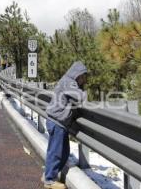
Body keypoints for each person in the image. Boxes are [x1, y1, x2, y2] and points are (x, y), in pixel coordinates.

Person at [43, 61, 87, 189]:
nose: (84, 80)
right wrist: (85, 94)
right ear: (77, 74)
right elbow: (78, 96)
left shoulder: (68, 81)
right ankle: (49, 180)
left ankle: (48, 174)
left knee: (64, 152)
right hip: (57, 122)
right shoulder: (69, 82)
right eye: (83, 76)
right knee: (56, 152)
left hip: (59, 122)